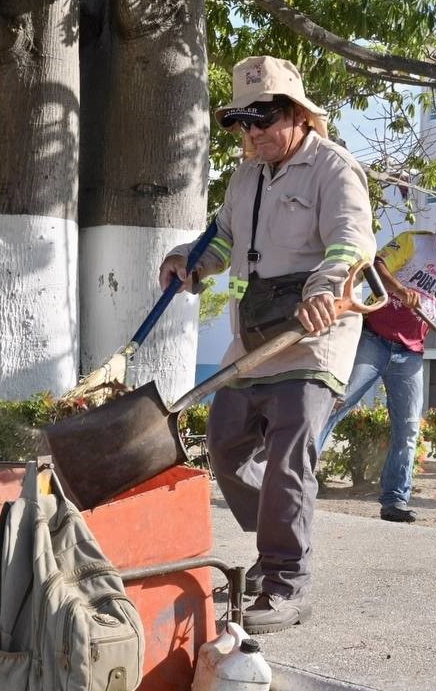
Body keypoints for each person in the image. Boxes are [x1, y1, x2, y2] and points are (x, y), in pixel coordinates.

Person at [158, 55, 375, 634]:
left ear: (298, 115)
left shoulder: (335, 168)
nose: (252, 134)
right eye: (243, 123)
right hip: (253, 334)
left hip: (312, 337)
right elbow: (224, 241)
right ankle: (283, 539)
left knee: (287, 460)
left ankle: (286, 580)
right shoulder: (246, 175)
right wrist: (191, 263)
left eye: (264, 120)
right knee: (225, 445)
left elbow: (353, 243)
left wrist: (325, 290)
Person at [316, 204, 436, 523]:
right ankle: (298, 480)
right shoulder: (415, 243)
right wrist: (399, 288)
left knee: (408, 427)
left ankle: (395, 499)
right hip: (372, 338)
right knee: (336, 404)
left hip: (411, 354)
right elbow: (376, 267)